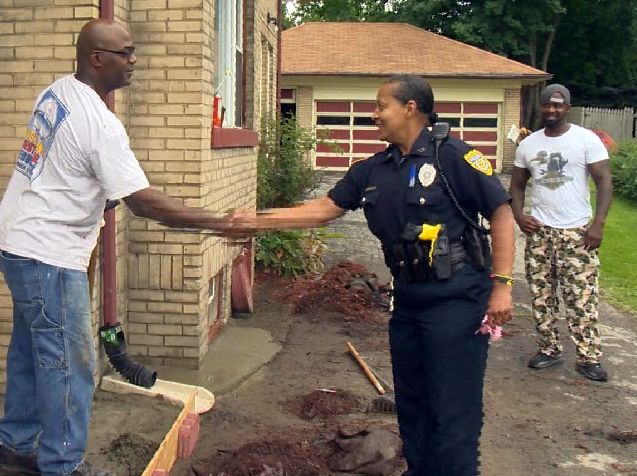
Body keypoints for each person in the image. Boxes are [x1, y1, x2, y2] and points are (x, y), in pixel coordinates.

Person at [221, 74, 515, 476]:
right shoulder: (374, 169)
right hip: (409, 302)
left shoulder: (454, 158)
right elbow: (323, 208)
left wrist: (502, 287)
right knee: (411, 401)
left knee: (453, 407)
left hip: (457, 300)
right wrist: (258, 220)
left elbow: (500, 211)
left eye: (381, 106)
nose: (372, 114)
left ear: (410, 108)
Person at [0, 19, 235, 476]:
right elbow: (142, 202)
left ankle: (13, 443)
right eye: (125, 53)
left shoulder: (57, 92)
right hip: (47, 254)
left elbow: (66, 170)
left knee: (31, 350)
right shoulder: (99, 122)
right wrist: (218, 223)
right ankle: (63, 465)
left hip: (17, 241)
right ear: (97, 59)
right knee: (70, 363)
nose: (134, 61)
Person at [510, 83, 613, 382]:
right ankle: (548, 349)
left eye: (558, 105)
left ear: (567, 106)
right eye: (547, 105)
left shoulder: (586, 140)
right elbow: (517, 184)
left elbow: (605, 181)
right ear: (541, 106)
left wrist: (598, 224)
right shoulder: (528, 145)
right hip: (540, 233)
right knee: (541, 296)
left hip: (577, 233)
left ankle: (588, 356)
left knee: (581, 298)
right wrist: (519, 215)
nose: (552, 110)